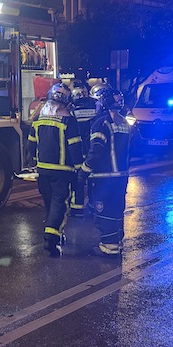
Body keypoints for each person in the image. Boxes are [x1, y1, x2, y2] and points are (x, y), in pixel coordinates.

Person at [28, 82, 85, 257]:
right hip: (63, 171)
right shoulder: (68, 118)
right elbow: (75, 146)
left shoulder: (39, 117)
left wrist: (37, 161)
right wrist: (79, 168)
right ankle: (51, 238)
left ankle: (54, 233)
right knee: (60, 204)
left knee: (50, 203)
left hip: (43, 170)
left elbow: (31, 143)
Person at [79, 87, 131, 257]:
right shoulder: (124, 122)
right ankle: (116, 243)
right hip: (121, 176)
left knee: (104, 212)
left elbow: (96, 151)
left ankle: (109, 247)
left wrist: (83, 172)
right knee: (116, 211)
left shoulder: (101, 123)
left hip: (104, 177)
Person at [69, 80, 98, 218]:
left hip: (78, 147)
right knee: (93, 177)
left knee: (78, 177)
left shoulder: (72, 108)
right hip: (93, 146)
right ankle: (94, 205)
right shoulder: (95, 105)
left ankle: (77, 208)